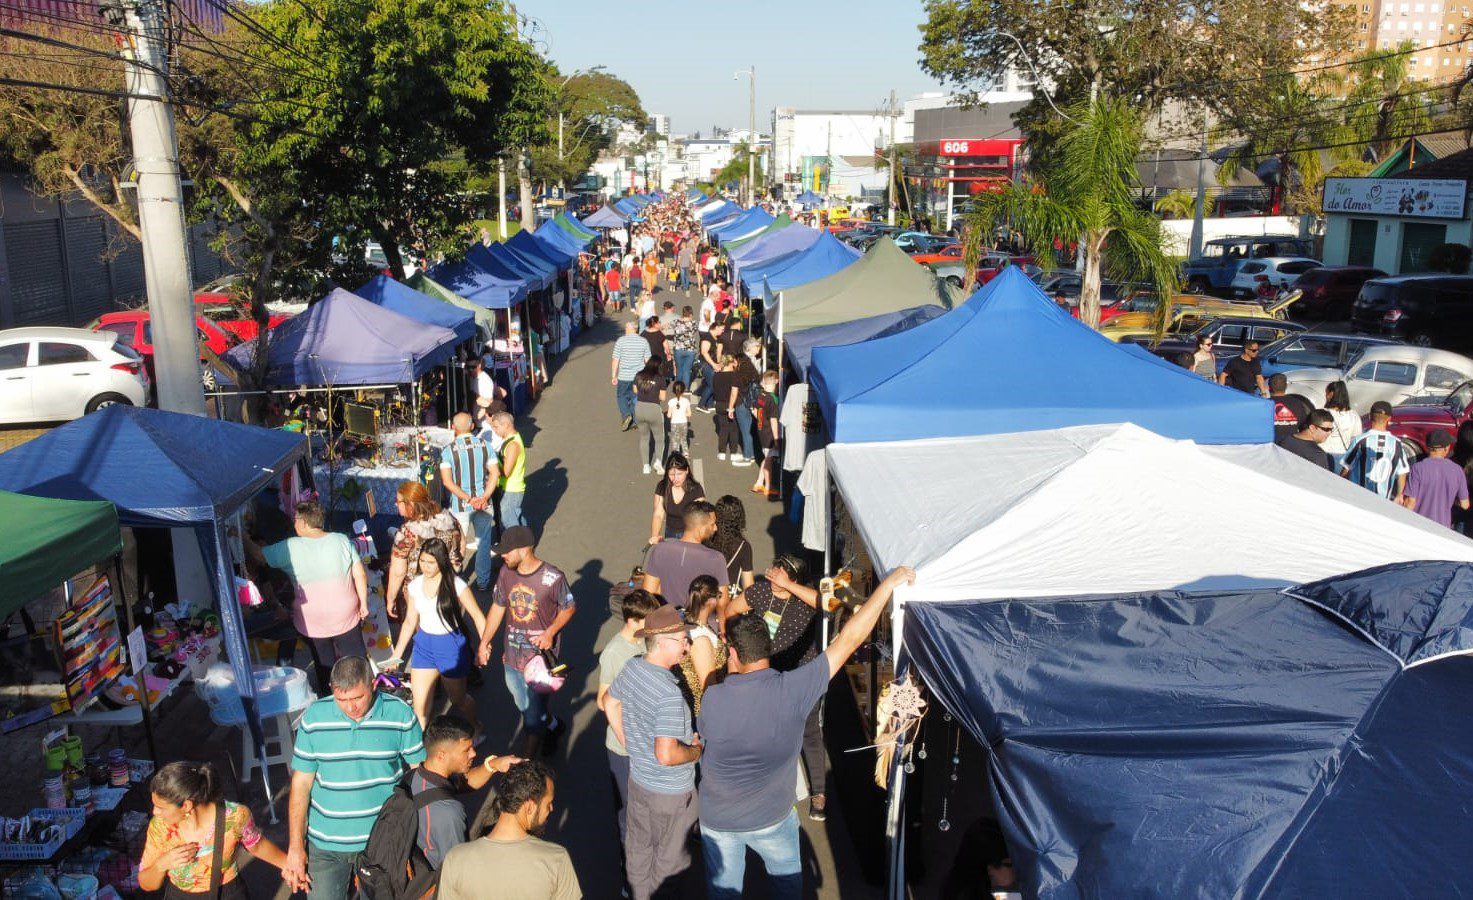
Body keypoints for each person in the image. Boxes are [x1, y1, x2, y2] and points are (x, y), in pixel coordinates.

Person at [698, 566, 915, 900]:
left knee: (723, 894)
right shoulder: (794, 690)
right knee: (786, 891)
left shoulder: (713, 698)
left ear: (735, 654)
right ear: (766, 650)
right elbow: (850, 639)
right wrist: (886, 585)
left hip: (719, 819)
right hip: (773, 816)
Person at [285, 657, 425, 900]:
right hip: (325, 845)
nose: (351, 708)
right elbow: (301, 785)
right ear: (331, 690)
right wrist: (295, 847)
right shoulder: (314, 718)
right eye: (342, 700)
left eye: (357, 698)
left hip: (382, 842)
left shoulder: (399, 714)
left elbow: (420, 774)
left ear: (372, 685)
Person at [604, 606, 703, 900]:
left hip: (639, 783)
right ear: (662, 643)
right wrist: (696, 751)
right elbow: (667, 754)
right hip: (670, 794)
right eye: (682, 639)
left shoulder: (634, 666)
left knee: (638, 852)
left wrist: (633, 746)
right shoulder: (670, 694)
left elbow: (609, 703)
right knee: (668, 865)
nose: (687, 644)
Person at [723, 555, 828, 819]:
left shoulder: (804, 601)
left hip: (801, 674)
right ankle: (773, 790)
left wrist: (789, 587)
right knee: (770, 731)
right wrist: (735, 641)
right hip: (766, 673)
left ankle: (819, 792)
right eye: (773, 571)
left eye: (780, 575)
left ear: (794, 578)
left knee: (809, 732)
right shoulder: (760, 592)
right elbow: (730, 610)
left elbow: (826, 603)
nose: (773, 578)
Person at [479, 526, 575, 755]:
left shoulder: (552, 578)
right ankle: (552, 725)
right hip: (511, 656)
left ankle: (526, 765)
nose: (502, 555)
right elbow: (498, 606)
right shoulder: (505, 573)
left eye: (506, 551)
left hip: (539, 661)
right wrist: (484, 642)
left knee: (531, 717)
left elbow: (569, 608)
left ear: (524, 549)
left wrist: (550, 632)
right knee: (522, 703)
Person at [255, 500, 368, 692]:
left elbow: (259, 556)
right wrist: (363, 603)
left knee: (325, 665)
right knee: (356, 660)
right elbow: (360, 573)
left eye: (296, 519)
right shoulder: (341, 540)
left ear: (305, 522)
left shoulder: (289, 546)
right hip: (345, 613)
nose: (294, 523)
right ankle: (363, 693)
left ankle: (331, 698)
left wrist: (242, 538)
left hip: (313, 619)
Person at [140, 761, 291, 899]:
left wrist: (291, 867)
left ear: (186, 806)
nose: (154, 812)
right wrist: (161, 864)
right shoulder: (159, 827)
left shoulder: (235, 817)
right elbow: (146, 884)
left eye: (161, 807)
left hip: (227, 893)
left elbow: (256, 845)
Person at [436, 761, 581, 900]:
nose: (551, 809)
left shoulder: (455, 859)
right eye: (548, 804)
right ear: (529, 807)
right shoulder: (556, 860)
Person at [389, 539, 488, 731]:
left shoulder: (456, 585)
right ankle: (421, 750)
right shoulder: (415, 586)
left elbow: (477, 616)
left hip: (450, 647)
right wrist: (397, 654)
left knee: (458, 700)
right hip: (424, 646)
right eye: (423, 561)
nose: (425, 567)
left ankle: (476, 726)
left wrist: (484, 646)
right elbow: (410, 622)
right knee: (419, 705)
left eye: (430, 562)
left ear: (441, 561)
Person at [409, 715, 520, 870]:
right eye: (466, 750)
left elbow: (462, 783)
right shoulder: (449, 814)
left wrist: (493, 765)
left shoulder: (417, 777)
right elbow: (459, 872)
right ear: (441, 755)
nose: (474, 753)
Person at [598, 590, 662, 845]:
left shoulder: (643, 641)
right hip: (622, 747)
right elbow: (603, 700)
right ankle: (629, 873)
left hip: (645, 741)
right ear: (633, 621)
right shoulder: (615, 652)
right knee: (628, 811)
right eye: (648, 621)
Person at [385, 482, 464, 619]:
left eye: (398, 501)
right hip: (449, 586)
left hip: (420, 593)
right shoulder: (449, 518)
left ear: (410, 505)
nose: (395, 504)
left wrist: (390, 598)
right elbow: (462, 545)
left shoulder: (407, 532)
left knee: (424, 633)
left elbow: (398, 572)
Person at [440, 412, 496, 592]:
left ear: (453, 428)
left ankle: (456, 579)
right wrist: (484, 497)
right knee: (484, 541)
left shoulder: (448, 451)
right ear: (472, 426)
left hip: (460, 505)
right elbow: (495, 473)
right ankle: (483, 580)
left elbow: (447, 482)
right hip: (484, 503)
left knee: (457, 544)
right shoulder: (486, 446)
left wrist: (468, 499)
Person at [642, 501, 728, 610]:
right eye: (712, 524)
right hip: (699, 623)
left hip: (667, 621)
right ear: (700, 528)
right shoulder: (716, 558)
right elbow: (722, 603)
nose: (715, 528)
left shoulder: (660, 550)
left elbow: (649, 593)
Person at [1340, 400, 1413, 502]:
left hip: (1357, 497)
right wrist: (1399, 494)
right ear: (1389, 419)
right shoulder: (1396, 443)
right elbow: (1402, 472)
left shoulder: (1360, 440)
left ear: (1370, 416)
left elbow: (1346, 468)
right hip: (1383, 501)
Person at [1403, 428, 1470, 527]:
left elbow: (1410, 503)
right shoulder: (1458, 471)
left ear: (1428, 447)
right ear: (1446, 448)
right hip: (1443, 529)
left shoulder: (1417, 468)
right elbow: (1465, 505)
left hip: (1418, 526)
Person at [679, 575, 726, 714]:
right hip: (705, 711)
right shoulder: (700, 639)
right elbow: (708, 687)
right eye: (719, 595)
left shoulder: (684, 618)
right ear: (712, 601)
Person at [649, 452, 704, 543]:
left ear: (687, 471)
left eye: (679, 474)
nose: (675, 478)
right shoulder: (663, 486)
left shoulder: (696, 489)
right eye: (671, 474)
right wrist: (655, 536)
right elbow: (658, 514)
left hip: (690, 534)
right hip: (670, 533)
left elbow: (699, 519)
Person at [489, 411, 528, 531]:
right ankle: (526, 543)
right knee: (516, 515)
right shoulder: (512, 439)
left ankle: (515, 546)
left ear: (506, 425)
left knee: (508, 518)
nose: (494, 431)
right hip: (511, 487)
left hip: (512, 488)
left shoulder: (512, 445)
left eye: (496, 427)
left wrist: (491, 462)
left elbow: (506, 471)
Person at [709, 495, 756, 593]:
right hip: (730, 596)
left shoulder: (708, 539)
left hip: (709, 594)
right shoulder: (744, 546)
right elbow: (748, 585)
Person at [612, 320, 652, 431]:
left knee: (621, 396)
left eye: (626, 328)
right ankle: (635, 421)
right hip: (639, 376)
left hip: (624, 376)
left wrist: (613, 375)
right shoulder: (643, 341)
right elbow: (648, 359)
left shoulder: (621, 341)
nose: (625, 329)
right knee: (636, 398)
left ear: (632, 329)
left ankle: (626, 414)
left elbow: (616, 359)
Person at [633, 358, 668, 476]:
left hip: (639, 408)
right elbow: (663, 398)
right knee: (659, 438)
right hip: (654, 409)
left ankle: (645, 466)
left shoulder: (638, 375)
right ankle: (658, 462)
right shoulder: (660, 379)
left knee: (644, 437)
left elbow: (635, 391)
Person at [751, 369, 781, 498]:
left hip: (761, 430)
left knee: (765, 458)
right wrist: (776, 438)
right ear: (776, 381)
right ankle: (768, 487)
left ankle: (759, 482)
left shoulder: (761, 395)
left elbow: (754, 410)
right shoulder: (772, 400)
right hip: (769, 433)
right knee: (769, 460)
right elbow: (774, 421)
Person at [1321, 380, 1363, 471]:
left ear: (1331, 394)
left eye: (1326, 393)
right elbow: (1356, 440)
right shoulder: (1354, 415)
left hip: (1323, 455)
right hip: (1344, 458)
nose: (1325, 396)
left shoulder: (1322, 413)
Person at [1268, 373, 1313, 441]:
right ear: (1286, 386)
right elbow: (1304, 426)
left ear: (1269, 387)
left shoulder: (1263, 405)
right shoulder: (1297, 403)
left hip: (1268, 445)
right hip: (1291, 446)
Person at [696, 321, 725, 413]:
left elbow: (718, 353)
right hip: (705, 363)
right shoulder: (707, 337)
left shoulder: (717, 338)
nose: (723, 331)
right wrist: (714, 364)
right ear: (716, 327)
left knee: (714, 383)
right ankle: (701, 404)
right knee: (712, 384)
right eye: (722, 329)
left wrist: (719, 363)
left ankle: (709, 404)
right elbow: (704, 352)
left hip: (713, 363)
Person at [669, 307, 699, 388]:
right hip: (690, 350)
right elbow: (695, 331)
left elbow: (668, 327)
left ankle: (677, 388)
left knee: (679, 369)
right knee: (687, 370)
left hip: (678, 349)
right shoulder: (694, 323)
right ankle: (685, 388)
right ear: (691, 314)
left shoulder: (675, 322)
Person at [665, 382, 693, 457]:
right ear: (683, 391)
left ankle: (676, 454)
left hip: (674, 423)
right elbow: (689, 414)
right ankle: (686, 453)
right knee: (683, 439)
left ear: (673, 391)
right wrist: (683, 414)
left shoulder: (671, 402)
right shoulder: (686, 401)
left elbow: (668, 415)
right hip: (683, 422)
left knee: (675, 440)